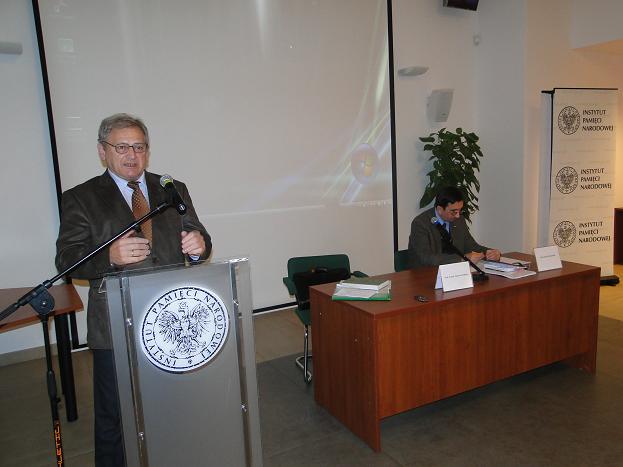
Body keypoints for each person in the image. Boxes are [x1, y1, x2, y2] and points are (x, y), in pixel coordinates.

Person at [55, 113, 211, 466]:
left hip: (173, 319)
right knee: (116, 415)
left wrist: (199, 245)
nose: (132, 155)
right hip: (114, 322)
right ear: (102, 151)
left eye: (139, 147)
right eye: (122, 147)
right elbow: (66, 260)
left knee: (172, 405)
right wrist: (109, 257)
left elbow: (198, 233)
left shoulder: (171, 187)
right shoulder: (81, 197)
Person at [408, 186, 500, 269]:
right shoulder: (420, 223)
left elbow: (471, 246)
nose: (457, 216)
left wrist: (488, 252)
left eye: (460, 210)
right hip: (425, 274)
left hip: (454, 272)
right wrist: (461, 259)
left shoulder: (459, 220)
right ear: (440, 209)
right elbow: (426, 258)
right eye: (454, 212)